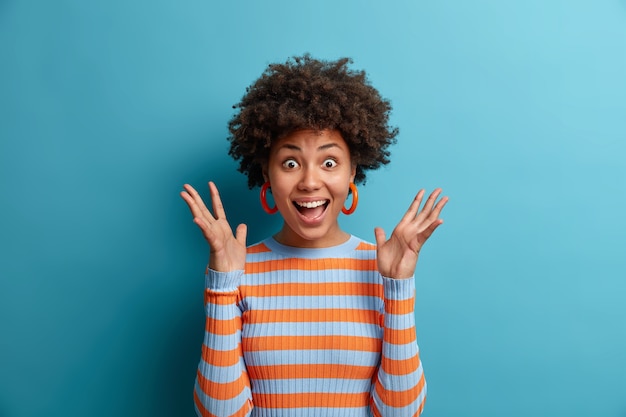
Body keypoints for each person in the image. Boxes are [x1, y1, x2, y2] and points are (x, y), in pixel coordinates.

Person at [180, 55, 448, 417]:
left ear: (353, 170)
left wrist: (398, 289)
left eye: (329, 162)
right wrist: (223, 285)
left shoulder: (382, 269)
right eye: (290, 163)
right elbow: (220, 413)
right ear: (267, 174)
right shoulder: (238, 271)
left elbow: (400, 413)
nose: (309, 181)